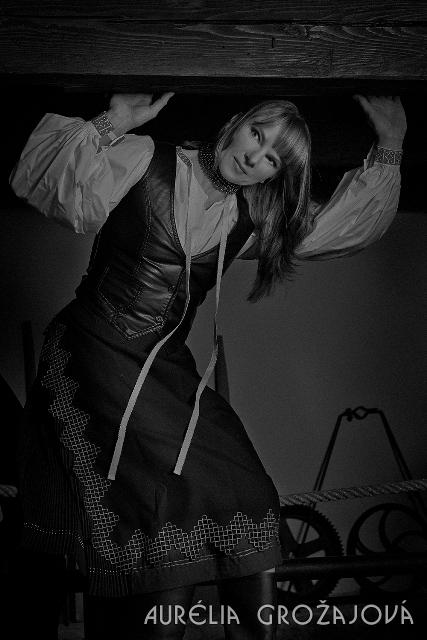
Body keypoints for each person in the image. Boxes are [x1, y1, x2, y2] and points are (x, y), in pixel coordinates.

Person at [9, 92, 406, 639]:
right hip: (91, 349)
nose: (254, 157)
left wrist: (391, 144)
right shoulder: (146, 160)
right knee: (154, 503)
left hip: (163, 367)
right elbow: (48, 181)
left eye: (272, 159)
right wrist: (112, 122)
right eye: (256, 135)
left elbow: (343, 225)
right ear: (237, 124)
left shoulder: (251, 219)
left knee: (244, 489)